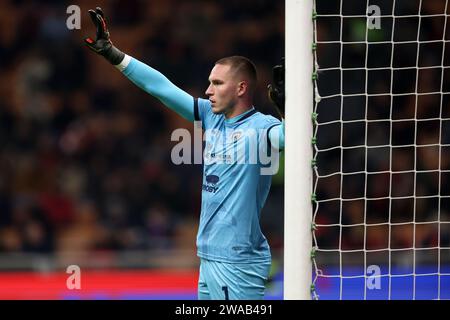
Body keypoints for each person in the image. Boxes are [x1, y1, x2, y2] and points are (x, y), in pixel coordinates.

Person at [84, 7, 285, 300]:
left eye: (217, 83)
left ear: (241, 88)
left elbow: (293, 138)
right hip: (209, 257)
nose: (208, 90)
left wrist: (287, 111)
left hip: (238, 262)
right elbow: (161, 88)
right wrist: (115, 55)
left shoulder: (262, 127)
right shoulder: (212, 117)